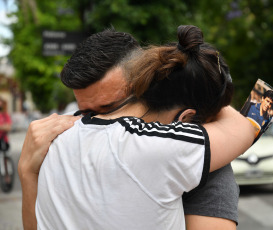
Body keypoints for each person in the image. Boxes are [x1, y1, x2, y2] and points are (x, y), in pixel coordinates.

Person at [34, 25, 254, 229]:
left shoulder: (54, 140)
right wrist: (210, 98)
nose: (95, 120)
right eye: (86, 113)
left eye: (109, 107)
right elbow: (243, 129)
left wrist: (27, 172)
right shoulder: (176, 148)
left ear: (143, 84)